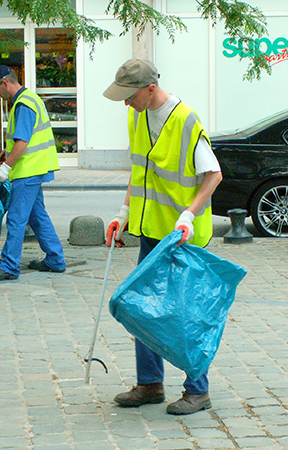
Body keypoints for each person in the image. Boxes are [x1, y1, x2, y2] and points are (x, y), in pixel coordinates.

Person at [103, 59, 223, 415]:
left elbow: (213, 174)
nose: (126, 103)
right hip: (150, 231)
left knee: (183, 315)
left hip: (182, 238)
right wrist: (122, 214)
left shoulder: (186, 120)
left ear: (150, 89)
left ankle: (197, 391)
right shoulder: (135, 116)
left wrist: (189, 214)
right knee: (142, 308)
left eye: (130, 95)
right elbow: (139, 171)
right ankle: (150, 383)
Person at [0, 65, 66, 281]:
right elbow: (22, 140)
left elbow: (22, 142)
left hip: (27, 170)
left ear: (4, 83)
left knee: (16, 219)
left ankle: (9, 266)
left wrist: (5, 168)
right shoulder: (31, 98)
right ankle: (55, 259)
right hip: (35, 167)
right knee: (37, 217)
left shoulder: (23, 104)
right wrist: (6, 153)